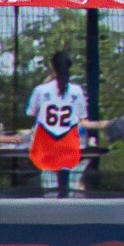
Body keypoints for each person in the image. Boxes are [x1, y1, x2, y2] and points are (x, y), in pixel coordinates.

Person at [26, 50, 90, 197]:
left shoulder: (40, 90)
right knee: (71, 189)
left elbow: (31, 113)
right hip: (68, 144)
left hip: (47, 144)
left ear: (52, 66)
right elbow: (82, 117)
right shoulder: (76, 90)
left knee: (51, 192)